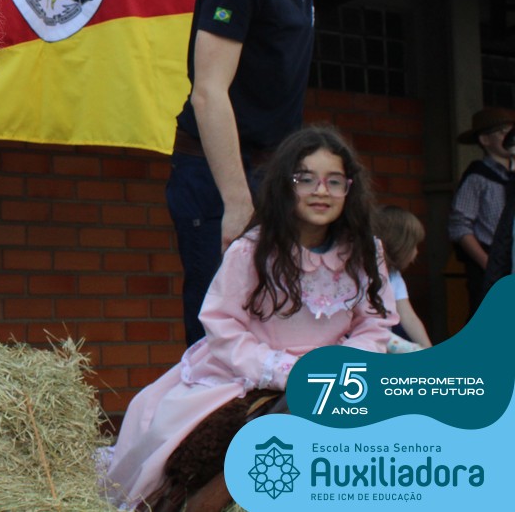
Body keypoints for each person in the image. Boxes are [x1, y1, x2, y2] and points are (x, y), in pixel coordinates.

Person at [107, 126, 396, 509]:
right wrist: (283, 370)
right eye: (306, 179)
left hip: (335, 374)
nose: (321, 191)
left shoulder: (365, 252)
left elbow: (375, 324)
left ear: (349, 189)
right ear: (285, 185)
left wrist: (338, 367)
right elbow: (222, 324)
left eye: (334, 181)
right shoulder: (252, 250)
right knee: (172, 437)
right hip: (246, 372)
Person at [168, 0, 349, 345]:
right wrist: (238, 201)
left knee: (275, 331)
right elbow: (209, 91)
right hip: (223, 179)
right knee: (220, 337)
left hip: (271, 176)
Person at [448, 107, 515, 318]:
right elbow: (459, 226)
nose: (509, 137)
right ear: (485, 139)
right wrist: (488, 263)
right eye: (503, 132)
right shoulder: (477, 178)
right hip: (488, 264)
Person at [374, 205, 432, 351]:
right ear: (400, 244)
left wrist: (428, 348)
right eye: (414, 245)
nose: (416, 252)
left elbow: (408, 316)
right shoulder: (364, 272)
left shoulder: (394, 276)